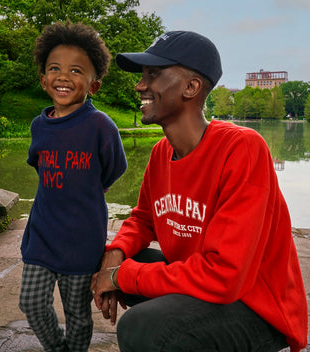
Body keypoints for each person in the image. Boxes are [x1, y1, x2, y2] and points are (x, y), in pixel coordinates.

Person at [90, 31, 308, 352]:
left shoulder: (243, 148)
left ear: (191, 88)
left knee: (142, 327)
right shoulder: (161, 153)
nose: (140, 85)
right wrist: (115, 255)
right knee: (92, 259)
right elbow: (144, 218)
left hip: (254, 304)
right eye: (142, 76)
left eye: (154, 75)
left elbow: (224, 275)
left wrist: (123, 277)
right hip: (204, 280)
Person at [19, 21, 127, 352]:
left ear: (93, 84)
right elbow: (39, 164)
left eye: (76, 70)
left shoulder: (100, 126)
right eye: (55, 68)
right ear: (43, 79)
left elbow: (114, 168)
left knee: (78, 316)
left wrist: (89, 189)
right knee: (31, 302)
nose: (64, 76)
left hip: (82, 241)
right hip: (41, 236)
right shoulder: (39, 125)